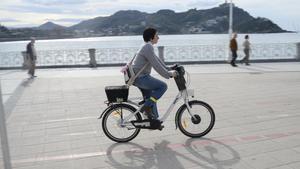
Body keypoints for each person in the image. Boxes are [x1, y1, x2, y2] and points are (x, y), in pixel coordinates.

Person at [132, 28, 177, 122]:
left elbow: (158, 61)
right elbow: (155, 65)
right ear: (151, 37)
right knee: (162, 86)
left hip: (138, 77)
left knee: (152, 97)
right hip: (141, 78)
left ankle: (154, 121)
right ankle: (146, 107)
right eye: (156, 35)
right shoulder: (148, 47)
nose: (158, 37)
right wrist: (168, 75)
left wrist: (169, 68)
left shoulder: (147, 46)